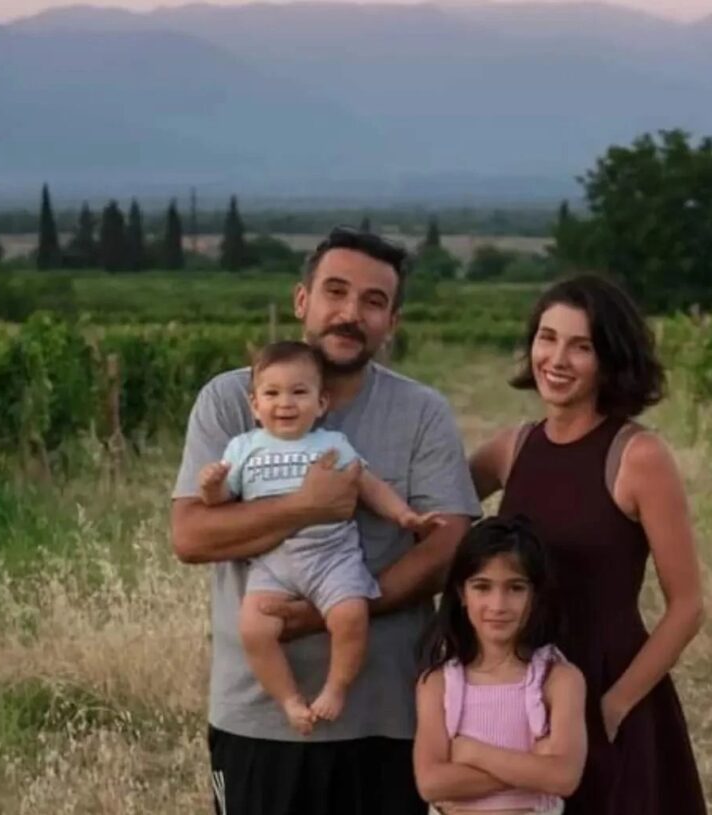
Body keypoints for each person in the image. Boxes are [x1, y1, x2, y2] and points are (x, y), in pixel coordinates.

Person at [171, 226, 481, 815]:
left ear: (392, 322)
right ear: (301, 300)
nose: (350, 314)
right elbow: (190, 537)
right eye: (335, 292)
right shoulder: (231, 400)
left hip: (387, 716)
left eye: (373, 302)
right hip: (258, 717)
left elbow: (448, 546)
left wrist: (332, 611)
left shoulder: (421, 412)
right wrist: (307, 506)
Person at [469, 274, 707, 815]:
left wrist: (614, 707)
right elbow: (436, 511)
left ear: (610, 359)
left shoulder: (638, 456)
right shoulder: (513, 447)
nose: (557, 359)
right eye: (547, 338)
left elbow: (688, 607)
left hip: (606, 684)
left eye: (581, 346)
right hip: (520, 686)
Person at [197, 340, 444, 735]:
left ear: (321, 403)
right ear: (255, 406)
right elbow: (224, 499)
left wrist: (404, 515)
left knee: (351, 616)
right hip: (273, 561)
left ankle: (336, 687)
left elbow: (367, 484)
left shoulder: (331, 444)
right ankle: (289, 699)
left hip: (331, 555)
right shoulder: (243, 448)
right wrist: (212, 488)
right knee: (254, 629)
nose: (285, 403)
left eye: (299, 392)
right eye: (272, 394)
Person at [413, 515, 587, 815]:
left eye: (515, 588)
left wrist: (472, 753)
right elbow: (431, 783)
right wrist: (533, 766)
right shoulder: (439, 684)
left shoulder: (557, 679)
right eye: (482, 587)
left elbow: (563, 777)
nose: (498, 605)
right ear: (462, 593)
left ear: (535, 595)